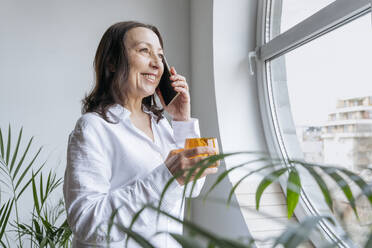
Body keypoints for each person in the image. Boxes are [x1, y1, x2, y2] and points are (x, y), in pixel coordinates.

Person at [63, 21, 218, 248]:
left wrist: (182, 119)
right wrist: (166, 177)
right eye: (144, 51)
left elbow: (193, 188)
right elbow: (87, 223)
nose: (156, 63)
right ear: (112, 62)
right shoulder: (92, 129)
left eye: (160, 55)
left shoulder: (161, 124)